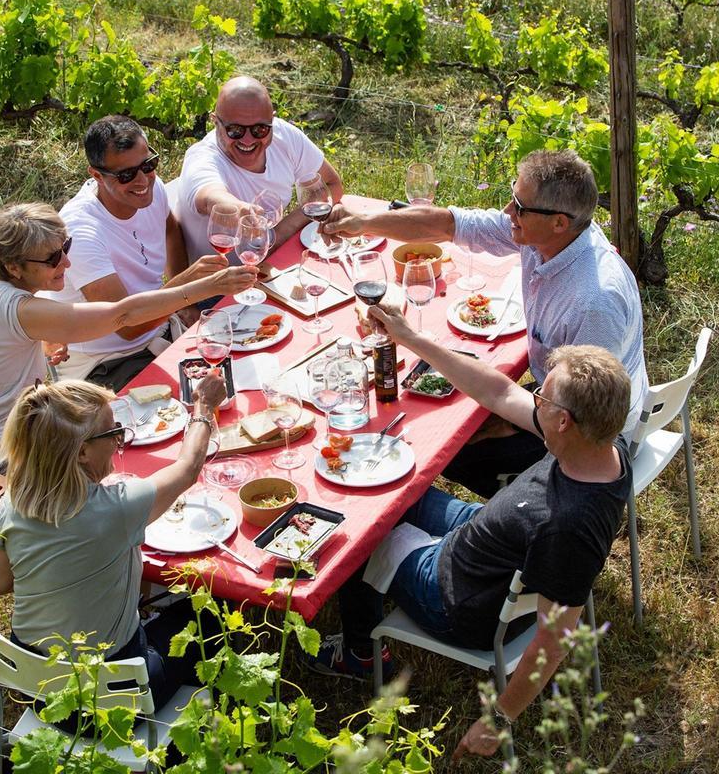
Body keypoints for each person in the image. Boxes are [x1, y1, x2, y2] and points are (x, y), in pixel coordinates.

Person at [308, 306, 632, 762]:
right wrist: (410, 337)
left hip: (456, 594)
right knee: (397, 482)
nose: (533, 399)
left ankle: (359, 653)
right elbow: (498, 391)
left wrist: (499, 718)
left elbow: (556, 637)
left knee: (360, 522)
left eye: (542, 397)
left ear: (564, 421)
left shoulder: (570, 527)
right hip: (484, 537)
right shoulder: (601, 444)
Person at [323, 149, 647, 498]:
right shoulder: (548, 235)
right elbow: (448, 224)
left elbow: (584, 424)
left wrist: (503, 423)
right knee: (450, 420)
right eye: (512, 197)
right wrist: (363, 222)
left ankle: (499, 531)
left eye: (520, 208)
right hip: (553, 398)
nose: (509, 212)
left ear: (559, 222)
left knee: (444, 449)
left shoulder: (592, 302)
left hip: (591, 437)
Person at [0, 202, 256, 495]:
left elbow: (1, 337)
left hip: (19, 431)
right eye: (52, 259)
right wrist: (210, 286)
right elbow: (121, 316)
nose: (67, 263)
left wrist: (44, 336)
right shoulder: (19, 309)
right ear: (13, 267)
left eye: (66, 247)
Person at [0, 373, 225, 709]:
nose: (118, 441)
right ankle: (193, 730)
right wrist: (205, 407)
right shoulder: (116, 509)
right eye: (113, 433)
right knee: (215, 616)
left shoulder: (14, 501)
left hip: (38, 688)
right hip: (113, 700)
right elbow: (187, 468)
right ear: (82, 452)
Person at [43, 115, 249, 390]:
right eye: (126, 175)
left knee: (249, 360)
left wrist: (184, 302)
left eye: (148, 165)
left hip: (161, 331)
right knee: (207, 400)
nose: (142, 180)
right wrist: (188, 286)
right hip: (108, 364)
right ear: (96, 175)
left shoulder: (151, 189)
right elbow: (126, 325)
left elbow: (170, 229)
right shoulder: (80, 232)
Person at [173, 76, 344, 262]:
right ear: (215, 122)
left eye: (260, 130)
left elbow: (330, 185)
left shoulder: (284, 136)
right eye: (235, 130)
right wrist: (239, 210)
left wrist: (278, 234)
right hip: (218, 283)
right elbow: (210, 198)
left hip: (268, 268)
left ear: (272, 120)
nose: (248, 140)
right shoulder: (202, 158)